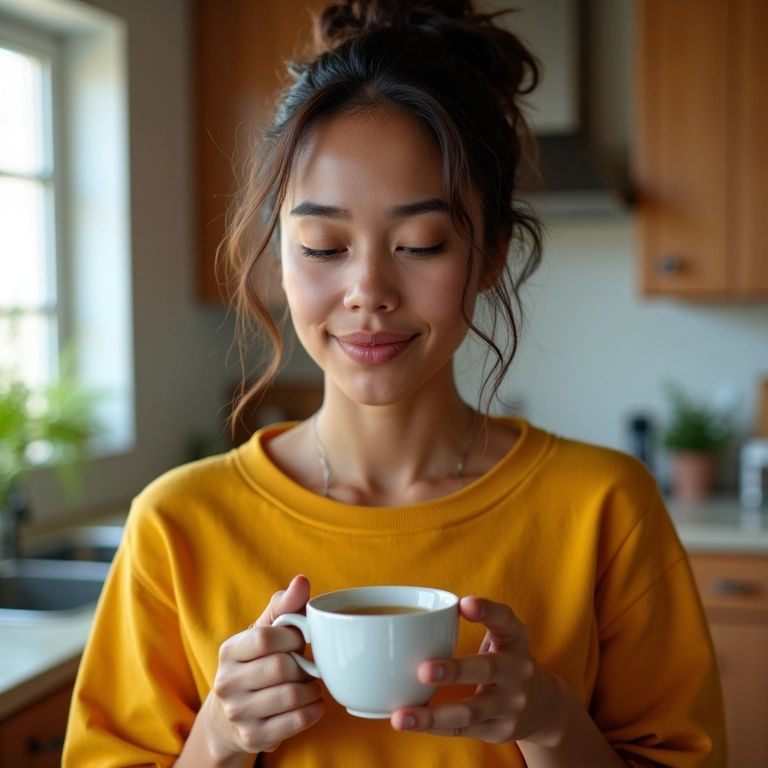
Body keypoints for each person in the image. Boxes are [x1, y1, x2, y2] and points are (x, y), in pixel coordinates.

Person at [63, 1, 727, 766]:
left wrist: (549, 721)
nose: (368, 291)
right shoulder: (176, 525)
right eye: (323, 245)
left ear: (490, 254)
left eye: (420, 243)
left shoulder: (607, 509)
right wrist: (218, 738)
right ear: (279, 254)